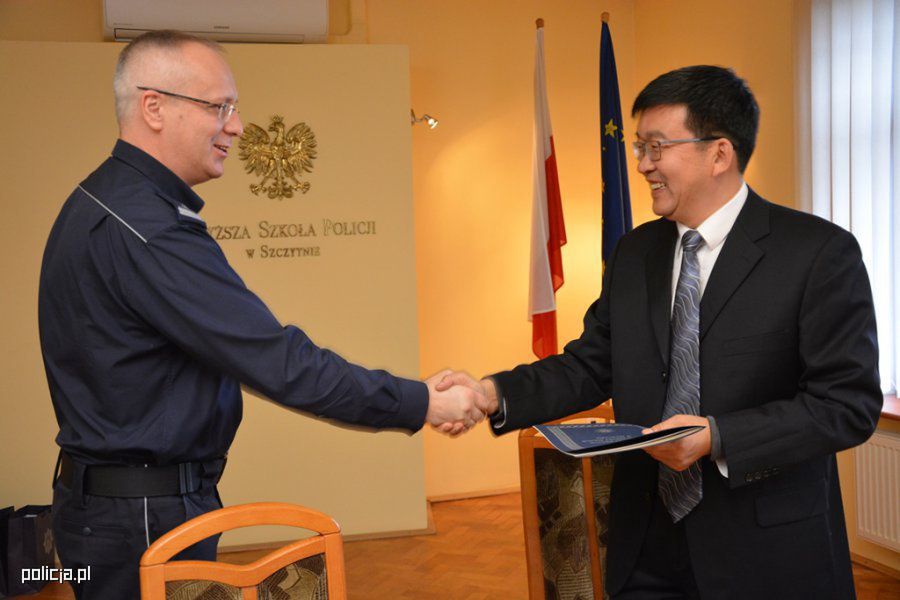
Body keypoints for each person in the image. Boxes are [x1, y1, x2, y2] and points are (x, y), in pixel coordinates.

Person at [38, 30, 482, 599]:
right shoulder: (148, 230)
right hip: (143, 518)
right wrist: (422, 402)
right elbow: (277, 361)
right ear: (154, 108)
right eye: (219, 107)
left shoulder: (99, 200)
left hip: (110, 508)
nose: (238, 126)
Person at [439, 66, 882, 599]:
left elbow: (846, 405)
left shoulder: (817, 254)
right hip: (646, 547)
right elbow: (589, 365)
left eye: (657, 147)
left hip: (768, 554)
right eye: (639, 147)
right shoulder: (635, 252)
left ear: (719, 153)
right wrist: (490, 393)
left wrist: (717, 437)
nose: (643, 164)